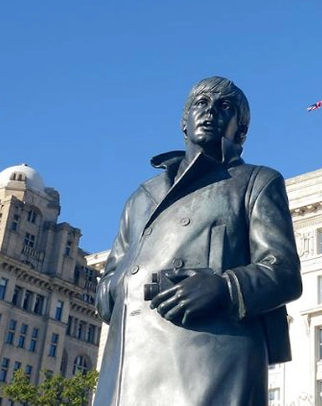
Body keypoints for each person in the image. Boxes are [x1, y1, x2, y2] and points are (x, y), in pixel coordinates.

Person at [95, 77, 302, 405]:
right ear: (184, 121)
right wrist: (121, 288)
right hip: (128, 366)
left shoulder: (257, 182)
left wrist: (224, 287)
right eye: (201, 103)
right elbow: (111, 277)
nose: (210, 111)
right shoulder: (141, 197)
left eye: (225, 107)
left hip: (209, 365)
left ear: (241, 130)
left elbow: (284, 272)